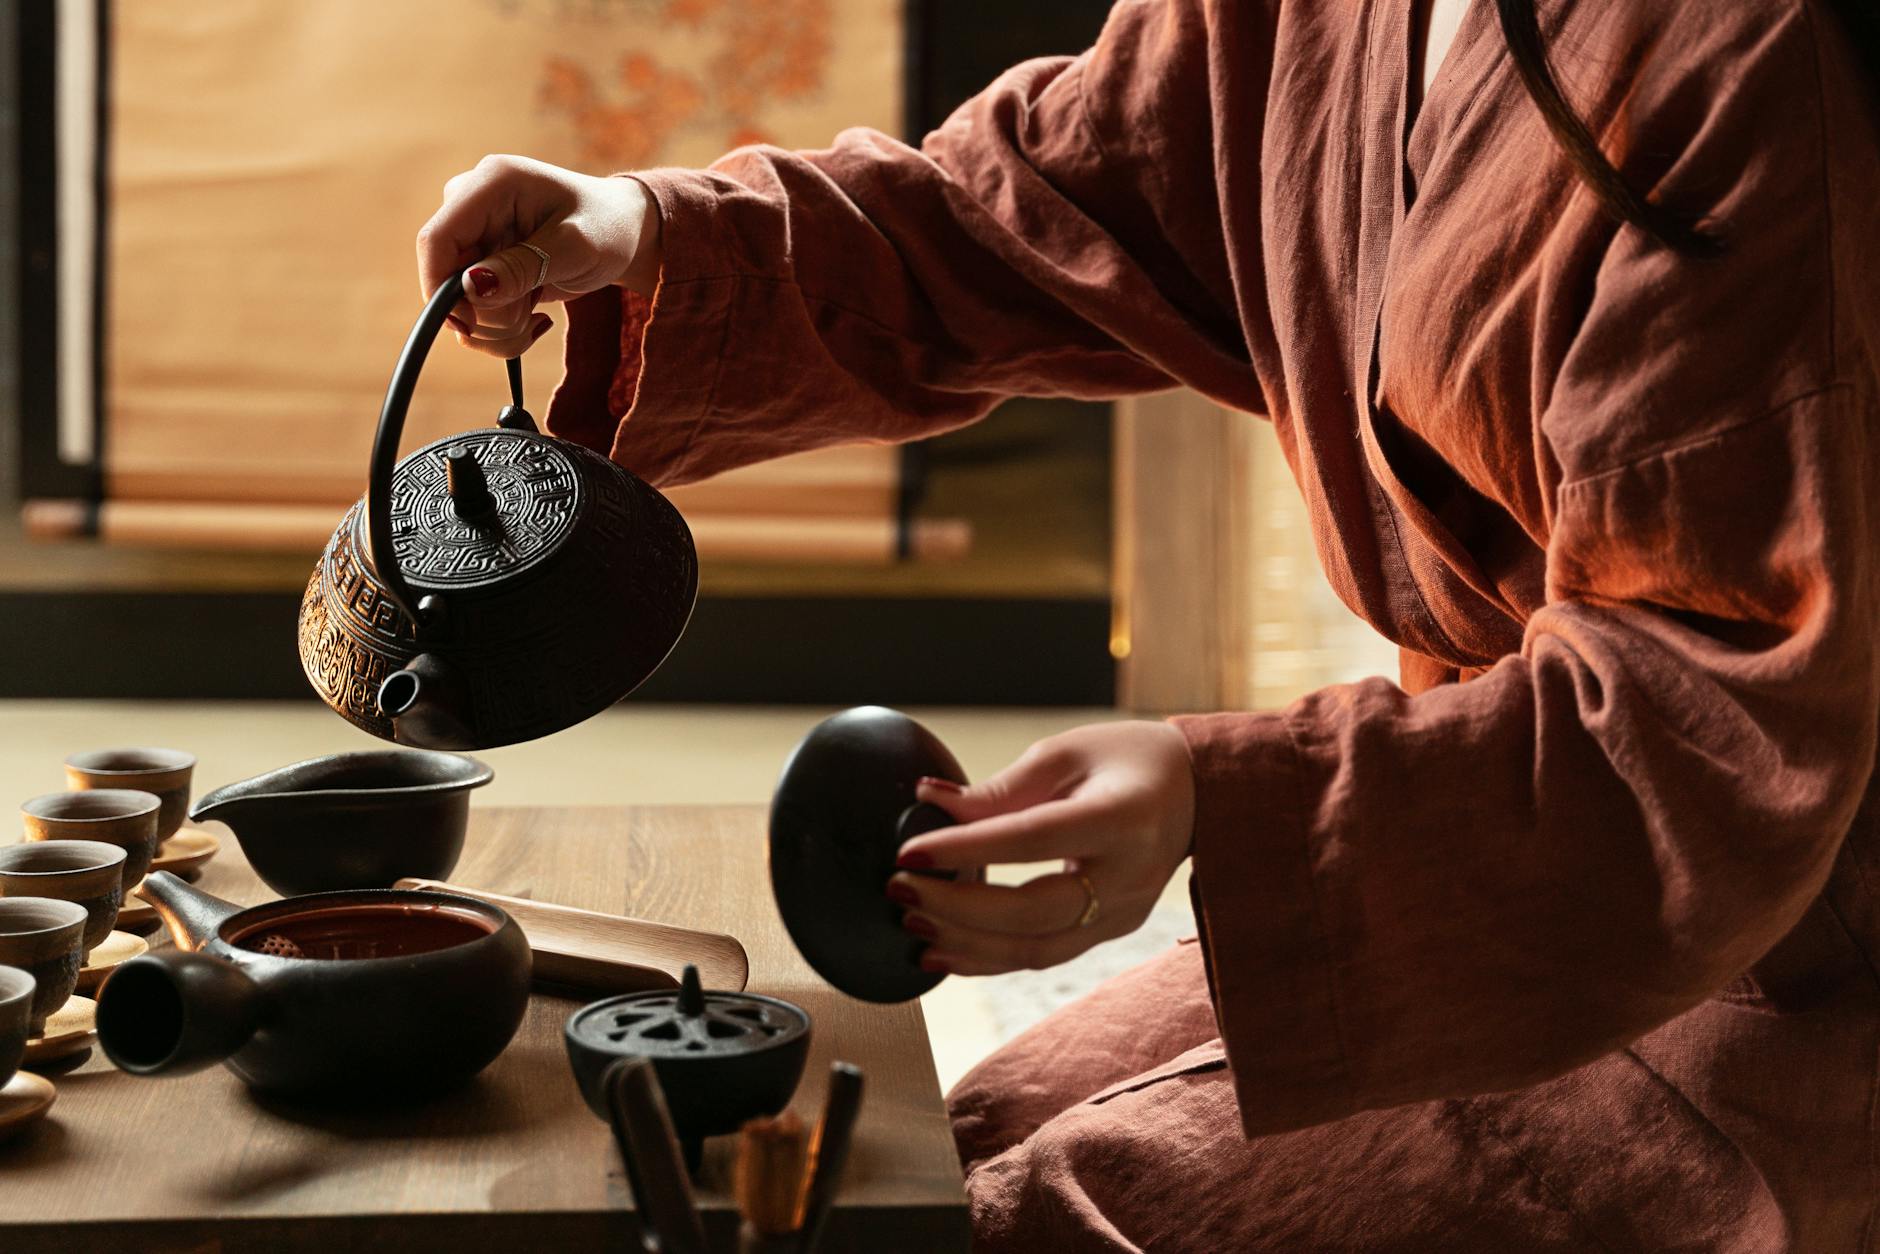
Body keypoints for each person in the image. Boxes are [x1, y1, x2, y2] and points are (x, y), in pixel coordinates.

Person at [418, 0, 1880, 1247]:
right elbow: (1035, 204)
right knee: (926, 1154)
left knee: (1037, 1214)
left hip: (1751, 960)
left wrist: (1212, 796)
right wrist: (650, 230)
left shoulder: (1733, 59)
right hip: (1468, 866)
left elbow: (1710, 731)